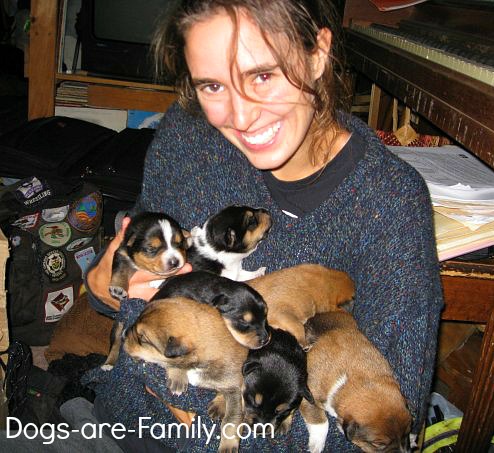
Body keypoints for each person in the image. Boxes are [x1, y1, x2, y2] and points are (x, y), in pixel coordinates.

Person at [82, 0, 443, 451]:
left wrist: (171, 376)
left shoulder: (391, 203)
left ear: (318, 55)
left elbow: (385, 427)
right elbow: (125, 268)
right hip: (119, 421)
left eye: (263, 76)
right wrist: (103, 285)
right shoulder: (189, 134)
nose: (241, 115)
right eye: (213, 85)